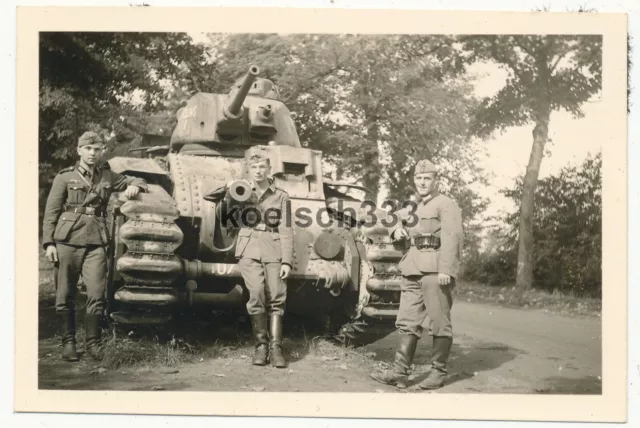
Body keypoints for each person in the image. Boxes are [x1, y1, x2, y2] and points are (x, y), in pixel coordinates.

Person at [42, 131, 148, 362]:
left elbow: (139, 180)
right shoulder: (64, 177)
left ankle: (94, 343)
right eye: (88, 149)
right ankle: (68, 343)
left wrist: (135, 187)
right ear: (79, 150)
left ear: (102, 152)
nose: (92, 153)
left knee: (96, 294)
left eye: (97, 149)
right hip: (67, 241)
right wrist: (49, 243)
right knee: (65, 294)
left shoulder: (107, 176)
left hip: (96, 244)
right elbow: (51, 212)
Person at [370, 158, 463, 390]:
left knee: (439, 322)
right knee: (407, 321)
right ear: (414, 180)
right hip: (411, 268)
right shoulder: (413, 208)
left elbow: (453, 238)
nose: (422, 182)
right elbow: (385, 215)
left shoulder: (446, 204)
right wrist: (395, 229)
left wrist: (446, 269)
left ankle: (438, 373)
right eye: (419, 178)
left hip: (434, 270)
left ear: (435, 180)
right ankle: (400, 373)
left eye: (427, 178)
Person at [231, 148, 293, 368]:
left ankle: (276, 348)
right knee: (256, 294)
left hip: (274, 247)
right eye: (253, 167)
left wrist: (287, 260)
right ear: (249, 169)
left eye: (262, 167)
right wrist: (233, 188)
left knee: (276, 296)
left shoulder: (281, 195)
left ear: (269, 169)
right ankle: (261, 346)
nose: (257, 171)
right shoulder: (242, 190)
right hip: (249, 247)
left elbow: (286, 229)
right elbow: (216, 201)